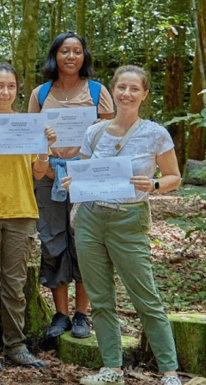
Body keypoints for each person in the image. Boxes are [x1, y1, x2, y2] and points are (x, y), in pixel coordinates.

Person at [64, 66, 182, 385]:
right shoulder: (95, 132)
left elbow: (174, 177)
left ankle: (169, 371)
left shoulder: (155, 133)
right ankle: (111, 368)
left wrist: (155, 185)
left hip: (129, 219)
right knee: (101, 299)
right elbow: (85, 174)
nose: (126, 94)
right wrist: (74, 181)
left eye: (133, 89)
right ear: (113, 91)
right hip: (90, 218)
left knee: (145, 298)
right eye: (121, 88)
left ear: (144, 94)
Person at [27, 32, 115, 340]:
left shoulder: (96, 90)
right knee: (53, 242)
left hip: (86, 178)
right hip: (49, 176)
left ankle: (82, 315)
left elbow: (109, 136)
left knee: (85, 243)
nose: (71, 57)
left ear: (84, 57)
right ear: (55, 55)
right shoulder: (40, 93)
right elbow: (31, 135)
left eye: (77, 51)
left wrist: (84, 169)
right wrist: (48, 166)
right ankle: (60, 314)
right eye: (65, 51)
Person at [0, 63, 53, 370]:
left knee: (15, 284)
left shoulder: (28, 124)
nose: (5, 92)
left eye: (11, 86)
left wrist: (44, 148)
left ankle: (16, 346)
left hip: (21, 210)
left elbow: (39, 172)